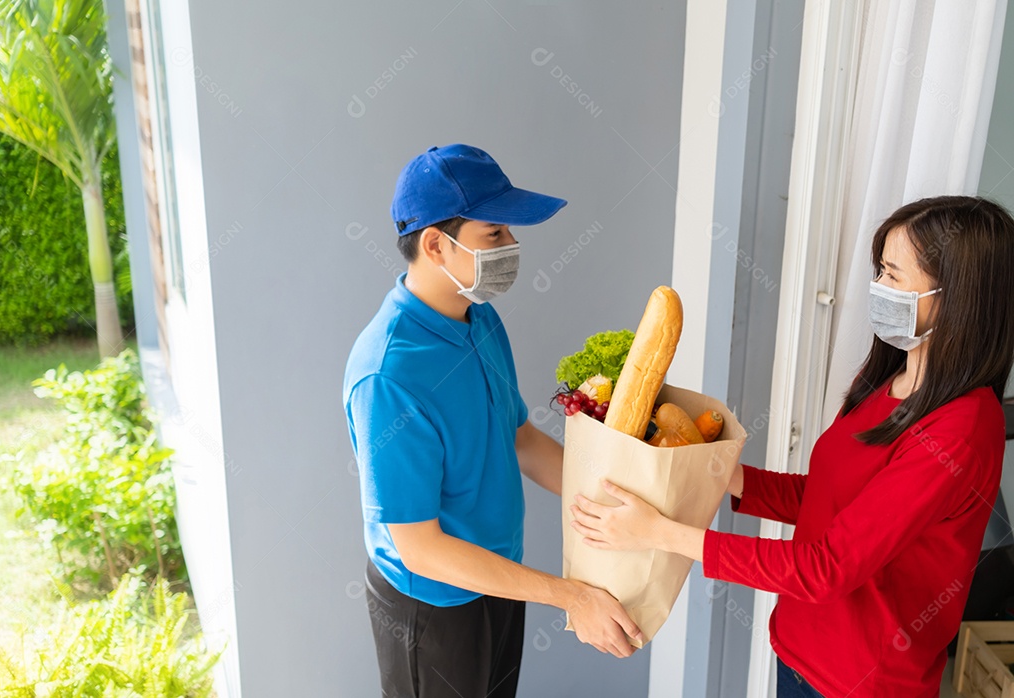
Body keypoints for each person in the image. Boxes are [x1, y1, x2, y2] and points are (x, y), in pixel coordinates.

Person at [570, 195, 1014, 696]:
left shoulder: (962, 429)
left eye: (893, 275)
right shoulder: (889, 381)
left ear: (957, 294)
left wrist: (660, 534)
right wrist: (710, 467)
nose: (878, 288)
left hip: (862, 682)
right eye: (880, 271)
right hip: (800, 651)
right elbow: (826, 500)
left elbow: (828, 567)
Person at [343, 144, 642, 698]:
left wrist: (622, 500)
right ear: (436, 244)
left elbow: (521, 439)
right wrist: (572, 596)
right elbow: (421, 547)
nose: (512, 247)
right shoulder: (389, 374)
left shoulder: (480, 320)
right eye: (494, 234)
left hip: (499, 579)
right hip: (431, 605)